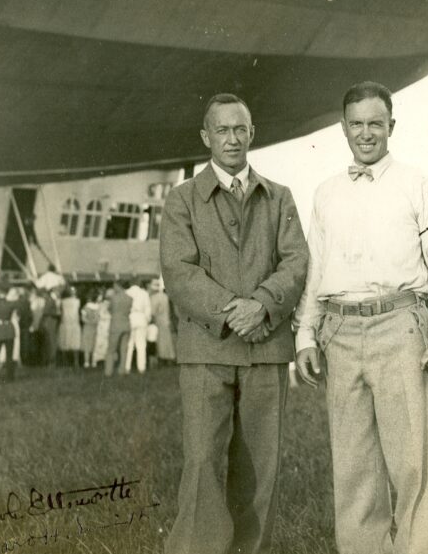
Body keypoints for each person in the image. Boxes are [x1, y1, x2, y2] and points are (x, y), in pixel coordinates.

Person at [294, 81, 428, 554]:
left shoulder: (417, 186)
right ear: (343, 128)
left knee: (414, 460)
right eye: (357, 124)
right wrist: (306, 335)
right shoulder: (327, 193)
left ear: (391, 126)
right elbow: (316, 267)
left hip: (400, 326)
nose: (366, 133)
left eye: (376, 123)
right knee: (353, 464)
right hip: (340, 331)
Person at [160, 92, 308, 554]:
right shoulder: (181, 200)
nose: (231, 139)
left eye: (239, 129)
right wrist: (236, 311)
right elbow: (178, 272)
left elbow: (297, 262)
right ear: (206, 137)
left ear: (251, 134)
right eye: (221, 130)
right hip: (207, 350)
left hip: (266, 350)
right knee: (203, 462)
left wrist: (263, 304)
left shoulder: (279, 196)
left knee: (261, 467)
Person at [104, 281, 132, 377]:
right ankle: (122, 370)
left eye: (114, 286)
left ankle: (108, 371)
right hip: (126, 324)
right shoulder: (129, 298)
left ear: (118, 286)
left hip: (115, 325)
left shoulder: (113, 298)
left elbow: (109, 309)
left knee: (111, 349)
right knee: (123, 349)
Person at [124, 279, 152, 374]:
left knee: (129, 344)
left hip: (130, 318)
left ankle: (127, 367)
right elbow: (148, 308)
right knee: (141, 344)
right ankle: (141, 367)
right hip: (141, 318)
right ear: (139, 283)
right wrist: (147, 320)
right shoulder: (144, 293)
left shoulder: (126, 292)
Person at [148, 277, 176, 367]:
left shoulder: (153, 298)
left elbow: (152, 311)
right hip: (166, 319)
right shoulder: (165, 296)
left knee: (160, 341)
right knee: (167, 340)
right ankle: (170, 357)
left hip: (158, 321)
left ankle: (162, 358)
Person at [58, 286, 82, 367]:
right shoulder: (74, 301)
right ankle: (70, 362)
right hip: (69, 322)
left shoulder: (74, 301)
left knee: (69, 341)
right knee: (69, 341)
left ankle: (74, 362)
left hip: (71, 322)